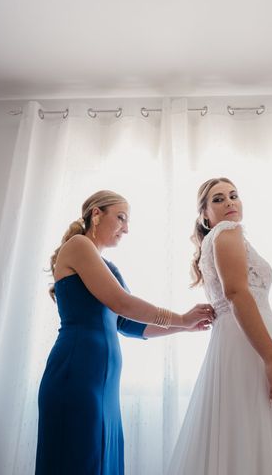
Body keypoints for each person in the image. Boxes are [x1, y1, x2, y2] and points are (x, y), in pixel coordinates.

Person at [35, 190, 214, 475]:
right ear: (96, 214)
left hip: (102, 386)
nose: (126, 228)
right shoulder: (79, 245)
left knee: (101, 462)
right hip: (76, 376)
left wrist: (185, 325)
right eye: (121, 218)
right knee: (77, 461)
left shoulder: (108, 268)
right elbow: (123, 304)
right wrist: (180, 317)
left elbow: (129, 324)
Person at [166, 178, 272, 474]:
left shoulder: (217, 240)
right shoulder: (227, 232)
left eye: (234, 195)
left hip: (235, 340)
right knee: (256, 427)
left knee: (241, 433)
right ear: (204, 215)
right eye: (218, 199)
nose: (229, 202)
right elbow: (237, 293)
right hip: (251, 344)